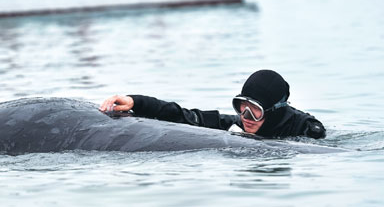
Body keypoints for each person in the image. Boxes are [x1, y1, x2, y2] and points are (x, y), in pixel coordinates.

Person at [99, 70, 326, 139]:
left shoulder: (307, 131)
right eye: (241, 106)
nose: (245, 116)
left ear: (274, 111)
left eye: (255, 109)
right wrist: (137, 102)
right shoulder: (237, 125)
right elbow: (186, 116)